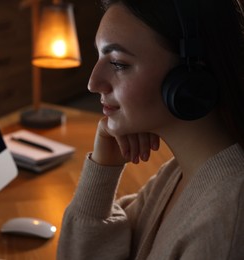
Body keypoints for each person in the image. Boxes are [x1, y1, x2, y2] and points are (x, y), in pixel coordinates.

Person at [57, 0, 244, 259]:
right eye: (100, 56)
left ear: (189, 79)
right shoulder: (178, 172)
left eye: (119, 63)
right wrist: (104, 167)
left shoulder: (227, 223)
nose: (93, 83)